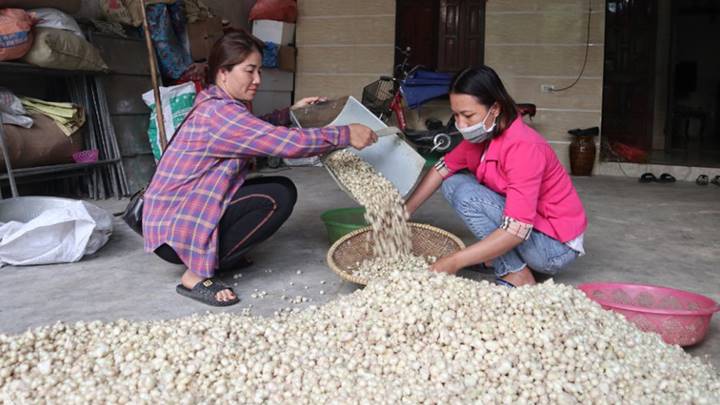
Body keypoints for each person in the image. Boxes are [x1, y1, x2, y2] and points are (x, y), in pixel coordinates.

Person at [142, 30, 378, 306]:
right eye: (250, 71)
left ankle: (221, 254)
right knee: (277, 196)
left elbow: (257, 128)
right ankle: (194, 276)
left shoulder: (220, 104)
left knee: (277, 187)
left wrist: (291, 113)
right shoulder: (219, 114)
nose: (257, 80)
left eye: (259, 71)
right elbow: (284, 144)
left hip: (182, 210)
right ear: (223, 72)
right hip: (175, 228)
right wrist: (345, 134)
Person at [405, 66, 587, 287]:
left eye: (468, 115)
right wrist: (404, 211)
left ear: (495, 108)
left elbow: (516, 230)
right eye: (456, 115)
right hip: (533, 232)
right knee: (452, 183)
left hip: (554, 248)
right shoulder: (481, 138)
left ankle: (516, 272)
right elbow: (441, 169)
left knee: (466, 195)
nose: (461, 124)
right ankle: (499, 258)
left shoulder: (523, 147)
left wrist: (453, 262)